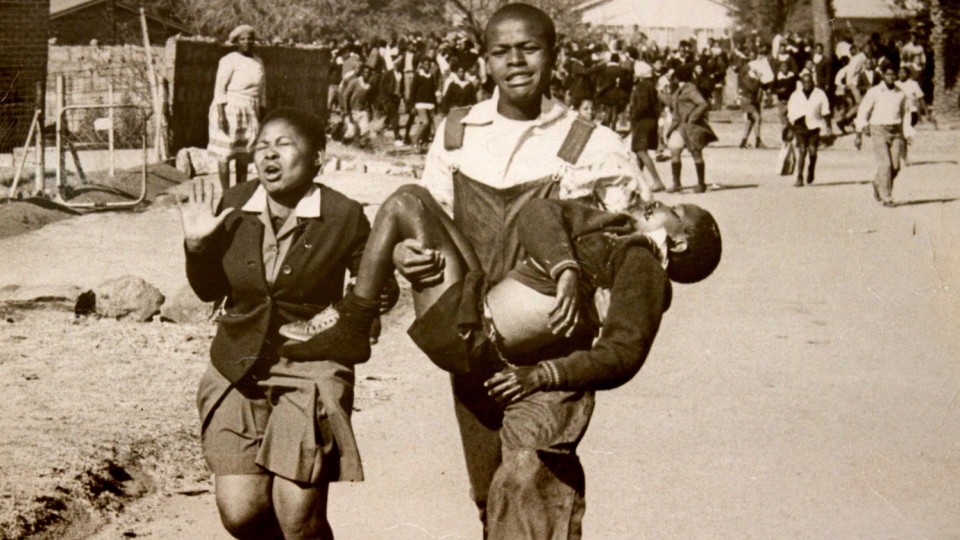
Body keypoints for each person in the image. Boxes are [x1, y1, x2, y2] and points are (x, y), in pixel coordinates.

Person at [361, 5, 649, 538]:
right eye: (501, 51)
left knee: (532, 486)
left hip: (552, 344)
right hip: (472, 339)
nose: (515, 61)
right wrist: (403, 256)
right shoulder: (457, 133)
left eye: (529, 48)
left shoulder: (594, 144)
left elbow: (632, 240)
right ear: (485, 60)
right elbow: (430, 224)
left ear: (555, 55)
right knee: (488, 496)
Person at [180, 108, 388, 539]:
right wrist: (196, 248)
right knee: (241, 513)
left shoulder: (343, 214)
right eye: (262, 146)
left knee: (297, 518)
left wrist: (367, 299)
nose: (269, 155)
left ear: (318, 158)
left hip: (313, 364)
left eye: (284, 145)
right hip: (238, 364)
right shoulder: (234, 205)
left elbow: (376, 287)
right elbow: (208, 289)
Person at [207, 25, 266, 193]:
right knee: (225, 153)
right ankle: (227, 194)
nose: (246, 42)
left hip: (250, 110)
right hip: (230, 109)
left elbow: (263, 89)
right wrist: (221, 115)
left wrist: (262, 111)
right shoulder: (229, 60)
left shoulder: (258, 61)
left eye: (249, 39)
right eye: (242, 39)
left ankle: (240, 192)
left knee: (244, 154)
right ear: (236, 42)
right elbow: (219, 88)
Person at [855, 66, 914, 207]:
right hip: (878, 129)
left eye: (894, 74)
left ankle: (878, 183)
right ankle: (887, 197)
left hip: (896, 130)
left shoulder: (901, 93)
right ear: (883, 76)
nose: (891, 77)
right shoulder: (874, 92)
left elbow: (906, 114)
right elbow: (863, 110)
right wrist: (859, 132)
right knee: (885, 164)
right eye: (888, 74)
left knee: (895, 166)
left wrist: (907, 133)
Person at [664, 64, 717, 194]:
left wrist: (693, 117)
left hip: (691, 126)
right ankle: (677, 183)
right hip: (680, 126)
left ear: (678, 77)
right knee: (675, 150)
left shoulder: (690, 89)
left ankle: (701, 183)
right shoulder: (680, 89)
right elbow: (674, 104)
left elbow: (703, 104)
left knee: (695, 153)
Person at [787, 72, 830, 186]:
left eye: (809, 82)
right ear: (801, 83)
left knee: (812, 151)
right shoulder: (796, 95)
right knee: (802, 150)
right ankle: (799, 177)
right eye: (805, 82)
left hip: (814, 125)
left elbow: (825, 110)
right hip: (800, 125)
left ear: (813, 82)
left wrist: (828, 126)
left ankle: (811, 169)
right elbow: (791, 112)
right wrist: (790, 128)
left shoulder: (820, 94)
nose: (807, 84)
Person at [629, 61, 666, 192]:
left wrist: (633, 115)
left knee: (640, 151)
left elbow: (642, 106)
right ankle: (638, 182)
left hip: (642, 121)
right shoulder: (651, 84)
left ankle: (657, 181)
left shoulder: (642, 86)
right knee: (640, 152)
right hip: (650, 120)